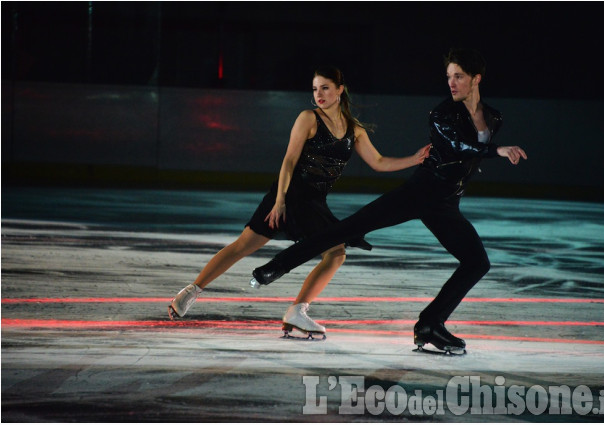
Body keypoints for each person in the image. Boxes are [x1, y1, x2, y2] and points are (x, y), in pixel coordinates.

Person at [251, 48, 528, 353]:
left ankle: (430, 324)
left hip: (446, 203)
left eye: (458, 76)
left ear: (476, 79)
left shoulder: (493, 117)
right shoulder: (441, 114)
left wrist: (488, 153)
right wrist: (497, 150)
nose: (451, 82)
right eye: (448, 76)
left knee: (477, 262)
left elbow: (469, 155)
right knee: (350, 228)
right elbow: (458, 146)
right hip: (421, 191)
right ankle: (275, 267)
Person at [168, 66, 430, 336]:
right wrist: (280, 200)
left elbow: (379, 162)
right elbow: (289, 160)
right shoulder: (309, 118)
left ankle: (296, 311)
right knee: (248, 246)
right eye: (315, 89)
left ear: (340, 89)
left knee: (334, 253)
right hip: (291, 195)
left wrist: (415, 158)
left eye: (325, 88)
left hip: (314, 202)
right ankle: (193, 292)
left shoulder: (355, 130)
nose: (319, 94)